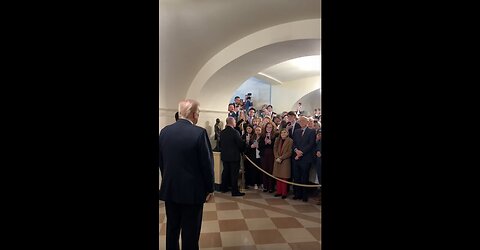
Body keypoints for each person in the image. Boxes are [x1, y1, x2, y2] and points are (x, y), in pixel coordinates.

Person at [159, 99, 214, 250]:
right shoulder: (199, 133)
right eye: (198, 113)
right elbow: (207, 165)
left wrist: (167, 179)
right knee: (190, 233)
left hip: (170, 189)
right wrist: (210, 188)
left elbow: (162, 162)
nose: (198, 116)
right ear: (194, 114)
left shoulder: (164, 131)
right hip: (192, 192)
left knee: (172, 229)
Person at [219, 117, 246, 196]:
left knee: (225, 172)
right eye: (234, 122)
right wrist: (244, 145)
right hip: (234, 156)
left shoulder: (222, 132)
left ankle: (223, 188)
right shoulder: (235, 132)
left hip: (225, 156)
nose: (235, 123)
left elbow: (220, 144)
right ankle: (235, 191)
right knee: (234, 174)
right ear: (231, 122)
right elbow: (240, 144)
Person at [292, 116, 316, 202]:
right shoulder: (296, 131)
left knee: (304, 177)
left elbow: (311, 144)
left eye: (303, 121)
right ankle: (297, 194)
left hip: (306, 158)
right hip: (296, 158)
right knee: (296, 177)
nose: (301, 122)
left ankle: (304, 195)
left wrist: (301, 152)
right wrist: (296, 150)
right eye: (300, 121)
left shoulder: (312, 131)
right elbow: (293, 143)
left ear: (307, 122)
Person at [273, 129, 293, 199]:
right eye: (282, 132)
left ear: (287, 133)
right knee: (278, 176)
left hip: (285, 161)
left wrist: (281, 158)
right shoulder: (278, 140)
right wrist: (277, 157)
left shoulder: (290, 140)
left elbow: (289, 152)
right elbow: (274, 149)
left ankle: (284, 193)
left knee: (284, 178)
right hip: (277, 160)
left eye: (285, 132)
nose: (283, 134)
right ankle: (279, 191)